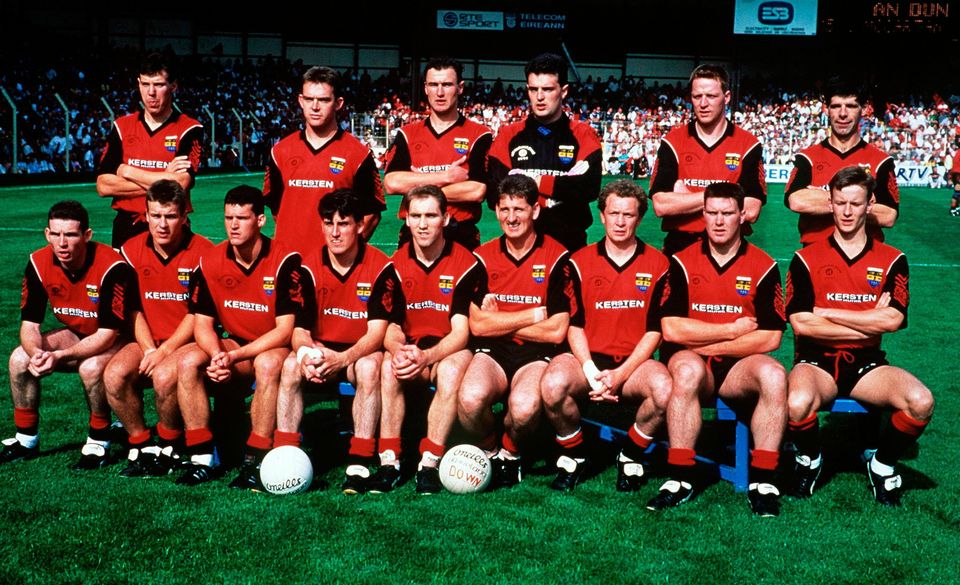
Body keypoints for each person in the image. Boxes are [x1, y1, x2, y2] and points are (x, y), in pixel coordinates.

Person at [785, 166, 934, 506]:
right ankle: (810, 460)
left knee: (921, 401)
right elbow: (803, 324)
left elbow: (894, 320)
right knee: (796, 403)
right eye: (840, 203)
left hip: (868, 364)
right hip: (816, 360)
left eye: (856, 203)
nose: (848, 211)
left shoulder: (893, 259)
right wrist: (869, 318)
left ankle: (881, 465)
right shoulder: (805, 259)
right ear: (831, 204)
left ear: (870, 205)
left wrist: (830, 312)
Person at [646, 182, 787, 517]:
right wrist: (730, 330)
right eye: (712, 213)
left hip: (737, 367)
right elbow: (671, 329)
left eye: (727, 213)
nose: (719, 221)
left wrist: (706, 338)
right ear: (702, 215)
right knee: (688, 370)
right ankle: (680, 476)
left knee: (774, 373)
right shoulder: (679, 262)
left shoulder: (764, 265)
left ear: (742, 215)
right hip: (694, 360)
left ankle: (763, 481)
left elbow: (770, 338)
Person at [539, 179, 672, 491]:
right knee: (552, 384)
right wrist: (591, 371)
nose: (620, 221)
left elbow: (655, 329)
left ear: (640, 218)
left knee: (665, 390)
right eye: (614, 213)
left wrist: (621, 374)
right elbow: (574, 324)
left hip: (634, 363)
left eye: (628, 215)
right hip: (587, 360)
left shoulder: (659, 264)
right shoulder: (578, 262)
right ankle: (574, 455)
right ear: (602, 215)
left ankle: (630, 453)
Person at [175, 186, 305, 488]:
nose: (233, 225)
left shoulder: (286, 260)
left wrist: (233, 357)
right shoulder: (210, 261)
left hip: (275, 346)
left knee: (268, 365)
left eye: (242, 218)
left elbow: (285, 330)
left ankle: (254, 458)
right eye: (228, 218)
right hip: (235, 344)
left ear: (260, 220)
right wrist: (218, 354)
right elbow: (203, 324)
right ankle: (203, 456)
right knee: (188, 361)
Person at [273, 189, 399, 495]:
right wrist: (306, 355)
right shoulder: (305, 268)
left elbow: (377, 332)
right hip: (320, 348)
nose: (335, 231)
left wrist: (342, 360)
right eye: (328, 223)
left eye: (343, 223)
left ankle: (358, 460)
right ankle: (287, 454)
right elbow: (299, 328)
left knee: (370, 368)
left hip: (359, 351)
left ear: (359, 225)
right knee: (290, 366)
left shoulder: (381, 267)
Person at [458, 175, 573, 488]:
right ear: (496, 211)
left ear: (535, 211)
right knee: (469, 399)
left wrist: (500, 322)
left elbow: (556, 332)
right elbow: (477, 325)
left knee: (522, 409)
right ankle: (490, 447)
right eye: (505, 209)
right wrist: (533, 315)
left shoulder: (557, 256)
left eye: (519, 209)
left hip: (537, 354)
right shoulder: (481, 257)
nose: (511, 217)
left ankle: (511, 452)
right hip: (493, 351)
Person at [2, 201, 135, 469]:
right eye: (56, 234)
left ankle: (99, 439)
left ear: (87, 235)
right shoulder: (38, 262)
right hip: (79, 332)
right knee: (19, 359)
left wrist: (60, 355)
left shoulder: (112, 265)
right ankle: (26, 438)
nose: (62, 243)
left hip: (121, 338)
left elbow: (108, 334)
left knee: (91, 366)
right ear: (47, 234)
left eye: (71, 235)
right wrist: (37, 354)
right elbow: (29, 325)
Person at [370, 185, 481, 494]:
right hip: (412, 347)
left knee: (449, 370)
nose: (422, 224)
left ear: (446, 219)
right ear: (405, 220)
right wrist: (400, 350)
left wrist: (427, 357)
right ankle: (389, 462)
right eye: (415, 216)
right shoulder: (393, 264)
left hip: (449, 349)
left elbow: (461, 332)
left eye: (430, 216)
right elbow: (391, 326)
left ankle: (429, 462)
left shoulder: (466, 263)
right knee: (388, 367)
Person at [102, 180, 214, 477]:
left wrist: (165, 350)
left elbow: (198, 314)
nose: (162, 224)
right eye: (155, 215)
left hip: (191, 340)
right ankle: (142, 444)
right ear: (146, 215)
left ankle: (171, 443)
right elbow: (133, 308)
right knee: (113, 375)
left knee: (164, 377)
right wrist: (150, 347)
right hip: (147, 338)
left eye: (170, 216)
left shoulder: (204, 252)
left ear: (184, 217)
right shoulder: (129, 250)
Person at [264, 66, 385, 257]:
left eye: (323, 100)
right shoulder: (280, 152)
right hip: (288, 264)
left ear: (338, 103)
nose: (315, 106)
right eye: (309, 99)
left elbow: (371, 215)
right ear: (300, 101)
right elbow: (278, 212)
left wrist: (344, 256)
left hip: (334, 270)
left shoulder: (358, 155)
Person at [486, 53, 603, 252]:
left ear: (563, 91)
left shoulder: (584, 134)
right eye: (533, 89)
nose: (539, 97)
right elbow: (494, 194)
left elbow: (587, 188)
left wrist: (535, 183)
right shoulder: (508, 135)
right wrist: (558, 193)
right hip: (520, 248)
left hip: (569, 245)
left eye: (547, 89)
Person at [649, 65, 766, 256]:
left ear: (726, 97)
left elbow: (751, 210)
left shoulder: (748, 144)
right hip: (680, 247)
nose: (703, 104)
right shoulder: (672, 142)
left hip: (730, 250)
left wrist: (687, 198)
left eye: (711, 96)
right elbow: (661, 205)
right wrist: (728, 192)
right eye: (697, 97)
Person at [383, 57, 493, 250]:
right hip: (414, 236)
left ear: (460, 88)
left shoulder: (479, 134)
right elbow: (392, 183)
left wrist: (418, 188)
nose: (440, 92)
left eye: (447, 85)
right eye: (434, 85)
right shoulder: (407, 134)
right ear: (425, 88)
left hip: (460, 235)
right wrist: (446, 177)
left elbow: (476, 191)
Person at [96, 53, 203, 249]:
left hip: (171, 226)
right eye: (145, 84)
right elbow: (103, 186)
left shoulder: (189, 129)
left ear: (173, 86)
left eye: (159, 85)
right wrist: (165, 178)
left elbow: (181, 184)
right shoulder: (122, 127)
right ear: (138, 84)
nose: (151, 92)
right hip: (127, 226)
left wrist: (127, 171)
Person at [785, 79, 899, 244]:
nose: (843, 114)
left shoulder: (881, 161)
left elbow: (888, 216)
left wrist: (822, 197)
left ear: (864, 110)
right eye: (836, 106)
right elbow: (796, 201)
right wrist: (861, 202)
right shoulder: (807, 158)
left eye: (851, 106)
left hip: (865, 259)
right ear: (827, 110)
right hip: (815, 258)